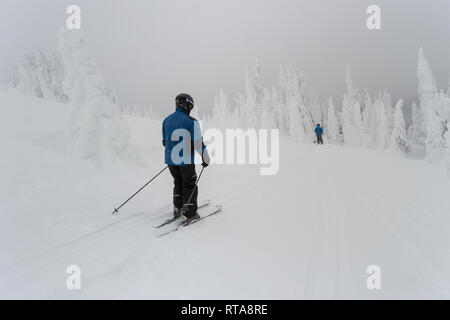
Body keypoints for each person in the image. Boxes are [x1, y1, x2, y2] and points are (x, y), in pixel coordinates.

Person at [162, 93, 210, 223]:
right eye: (190, 106)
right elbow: (198, 142)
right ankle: (190, 213)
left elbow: (165, 142)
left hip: (171, 162)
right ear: (187, 105)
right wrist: (205, 158)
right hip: (185, 162)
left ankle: (177, 207)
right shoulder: (191, 122)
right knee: (189, 184)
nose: (190, 109)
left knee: (178, 182)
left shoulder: (166, 120)